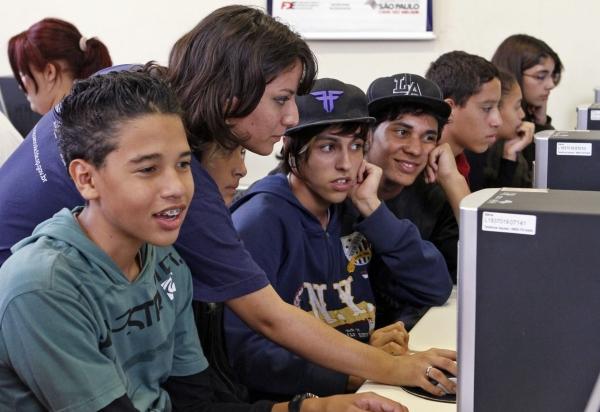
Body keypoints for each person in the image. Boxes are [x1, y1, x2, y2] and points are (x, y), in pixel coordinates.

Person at [0, 5, 456, 398]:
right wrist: (400, 369)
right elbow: (270, 319)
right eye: (281, 100)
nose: (292, 117)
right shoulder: (189, 192)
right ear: (231, 93)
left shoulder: (128, 84)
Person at [225, 78, 455, 400]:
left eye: (356, 146)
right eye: (328, 147)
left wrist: (373, 209)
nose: (346, 164)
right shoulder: (260, 220)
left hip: (360, 381)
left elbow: (435, 285)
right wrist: (354, 369)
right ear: (293, 149)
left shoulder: (354, 207)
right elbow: (247, 355)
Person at [358, 73, 466, 293]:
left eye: (428, 137)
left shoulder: (433, 195)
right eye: (401, 132)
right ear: (367, 134)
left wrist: (454, 181)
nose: (415, 149)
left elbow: (475, 275)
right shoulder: (336, 188)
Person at [425, 51, 503, 192]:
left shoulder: (459, 160)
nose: (498, 121)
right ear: (449, 109)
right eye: (486, 108)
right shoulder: (424, 172)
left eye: (498, 107)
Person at [8, 17, 112, 115]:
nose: (20, 86)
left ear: (49, 72)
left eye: (24, 73)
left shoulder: (70, 130)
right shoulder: (100, 118)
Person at [491, 34, 563, 170]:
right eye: (541, 76)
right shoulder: (494, 130)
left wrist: (541, 122)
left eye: (552, 75)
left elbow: (545, 171)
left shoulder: (527, 117)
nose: (551, 84)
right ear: (514, 73)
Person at [468, 70, 534, 190]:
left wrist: (509, 155)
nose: (522, 114)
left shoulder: (500, 146)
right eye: (517, 106)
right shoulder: (473, 154)